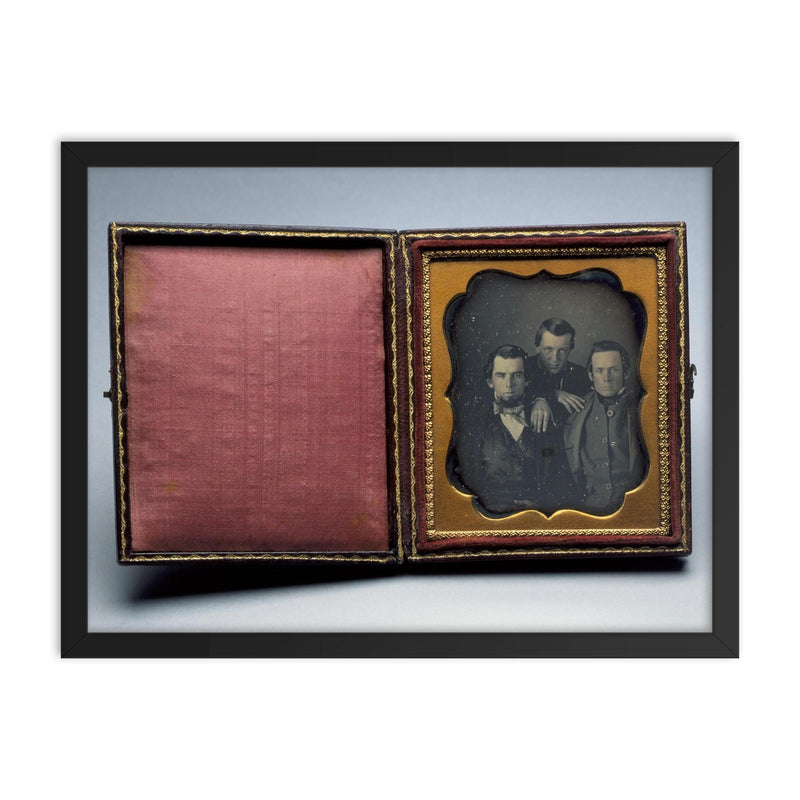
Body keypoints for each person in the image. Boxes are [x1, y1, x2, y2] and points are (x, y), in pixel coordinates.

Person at [466, 344, 575, 515]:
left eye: (516, 375)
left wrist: (541, 506)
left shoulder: (547, 419)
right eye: (501, 376)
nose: (509, 384)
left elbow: (563, 481)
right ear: (490, 382)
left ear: (527, 380)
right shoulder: (476, 426)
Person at [562, 341, 647, 514]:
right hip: (590, 509)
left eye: (614, 370)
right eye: (599, 371)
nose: (606, 377)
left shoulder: (644, 409)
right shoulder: (576, 412)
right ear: (591, 375)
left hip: (635, 509)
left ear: (626, 372)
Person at [527, 318, 592, 432]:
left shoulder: (581, 375)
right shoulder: (523, 368)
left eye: (562, 350)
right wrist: (549, 394)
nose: (555, 358)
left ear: (570, 349)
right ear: (537, 347)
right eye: (548, 349)